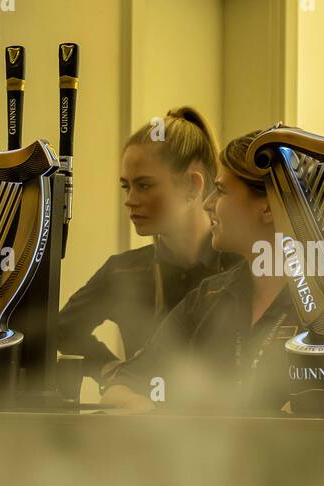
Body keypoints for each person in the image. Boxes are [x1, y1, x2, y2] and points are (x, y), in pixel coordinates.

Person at [100, 130, 297, 414]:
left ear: (268, 207)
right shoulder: (208, 297)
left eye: (223, 190)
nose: (207, 203)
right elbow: (120, 387)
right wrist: (150, 416)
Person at [56, 108, 241, 388]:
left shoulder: (241, 267)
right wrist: (109, 368)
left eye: (144, 185)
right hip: (143, 426)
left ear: (193, 185)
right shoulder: (122, 271)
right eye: (126, 187)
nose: (130, 200)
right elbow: (63, 328)